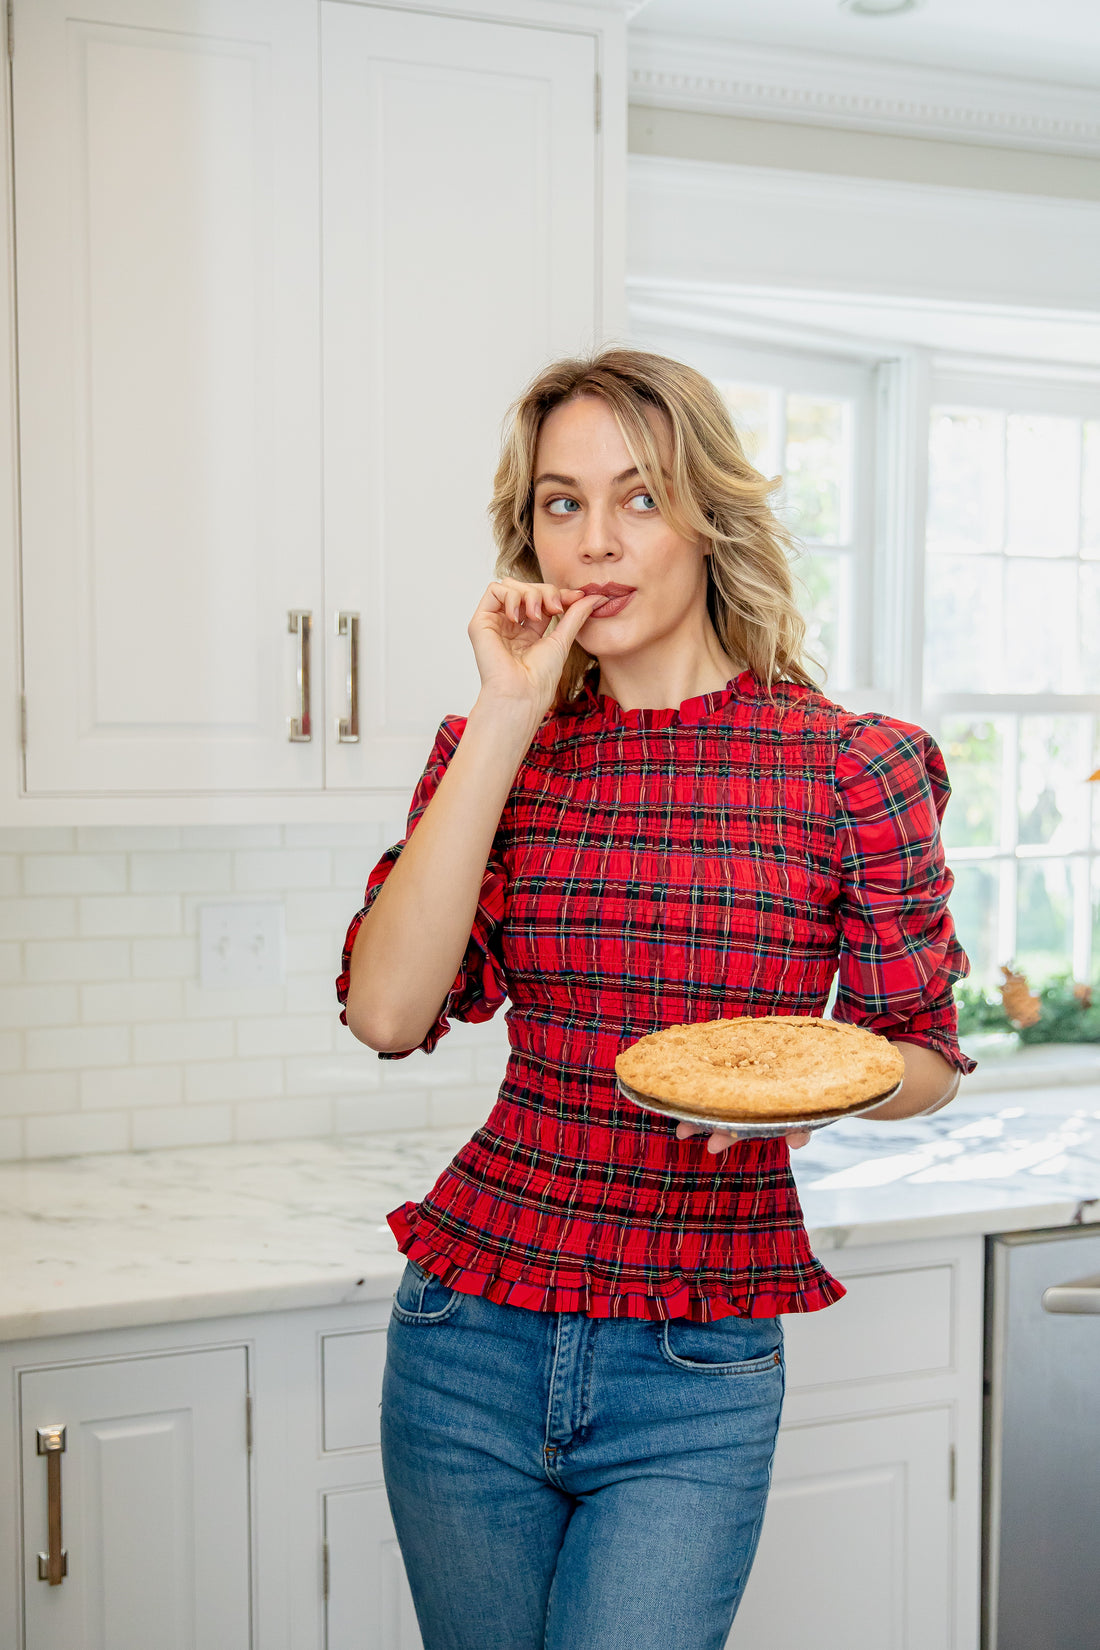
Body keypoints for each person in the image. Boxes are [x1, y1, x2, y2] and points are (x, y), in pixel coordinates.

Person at [336, 348, 974, 1650]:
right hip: (469, 1327)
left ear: (707, 516)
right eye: (561, 505)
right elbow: (389, 1011)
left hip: (697, 1357)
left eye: (639, 497)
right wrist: (506, 710)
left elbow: (927, 1055)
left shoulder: (851, 766)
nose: (597, 542)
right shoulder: (496, 749)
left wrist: (827, 1077)